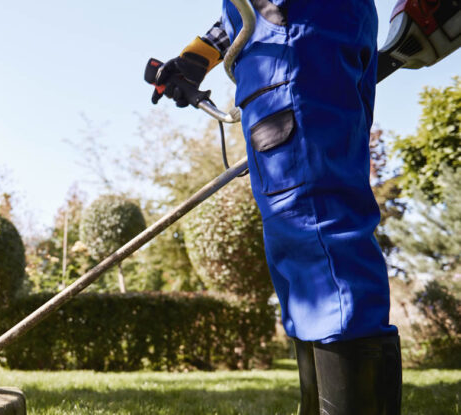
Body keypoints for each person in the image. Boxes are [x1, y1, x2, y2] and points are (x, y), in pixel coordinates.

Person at [151, 1, 402, 414]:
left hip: (292, 36)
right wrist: (197, 56)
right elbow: (242, 12)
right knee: (306, 243)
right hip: (297, 34)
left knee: (313, 229)